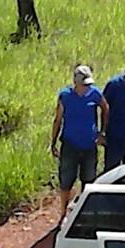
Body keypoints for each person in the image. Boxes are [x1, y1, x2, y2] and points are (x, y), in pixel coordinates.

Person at [50, 64, 109, 219]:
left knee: (89, 179)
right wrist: (53, 142)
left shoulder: (95, 94)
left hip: (89, 145)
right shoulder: (65, 96)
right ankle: (63, 212)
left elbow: (105, 108)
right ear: (76, 82)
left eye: (88, 84)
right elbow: (58, 120)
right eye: (84, 84)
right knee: (66, 179)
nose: (86, 88)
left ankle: (83, 211)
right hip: (70, 144)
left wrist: (102, 132)